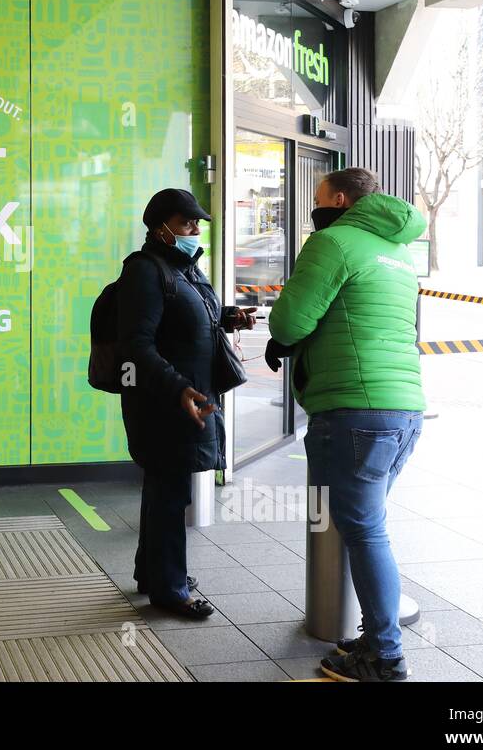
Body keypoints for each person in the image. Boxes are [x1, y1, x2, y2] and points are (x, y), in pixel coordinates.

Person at [267, 167, 425, 682]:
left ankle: (384, 654)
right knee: (369, 524)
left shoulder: (332, 241)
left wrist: (281, 336)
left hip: (353, 409)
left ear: (338, 199)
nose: (314, 209)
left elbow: (290, 322)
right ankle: (376, 637)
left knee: (365, 530)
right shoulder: (399, 254)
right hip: (403, 410)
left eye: (318, 199)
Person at [117, 188, 256, 619]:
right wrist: (178, 388)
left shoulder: (184, 270)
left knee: (165, 490)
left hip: (189, 399)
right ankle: (170, 589)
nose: (195, 230)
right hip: (167, 403)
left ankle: (152, 572)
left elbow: (187, 321)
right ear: (160, 229)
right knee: (171, 494)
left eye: (197, 224)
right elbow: (136, 345)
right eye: (185, 224)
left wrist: (227, 316)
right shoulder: (145, 272)